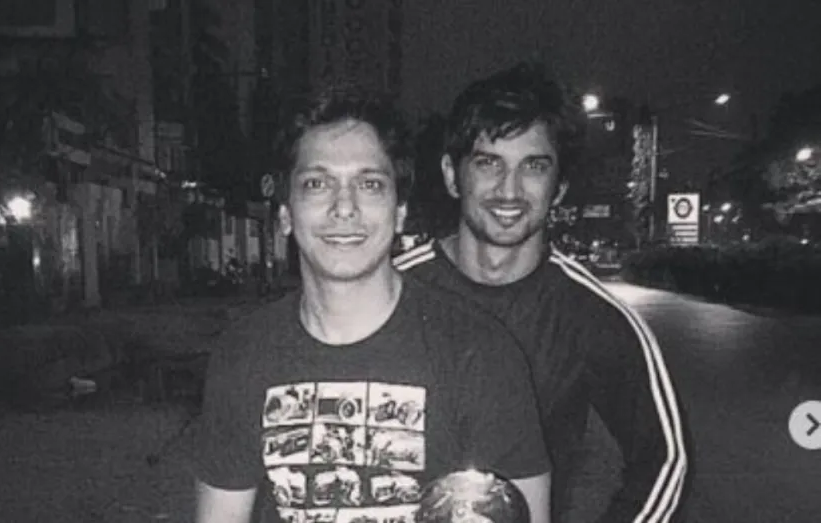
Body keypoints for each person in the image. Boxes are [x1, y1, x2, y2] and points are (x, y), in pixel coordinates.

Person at [189, 84, 551, 523]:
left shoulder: (482, 354)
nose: (344, 207)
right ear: (285, 213)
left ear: (399, 213)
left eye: (370, 184)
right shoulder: (242, 353)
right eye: (317, 184)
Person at [394, 62, 688, 522]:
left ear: (560, 187)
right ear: (452, 175)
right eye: (488, 163)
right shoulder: (392, 291)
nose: (509, 190)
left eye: (533, 166)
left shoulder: (591, 315)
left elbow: (665, 461)